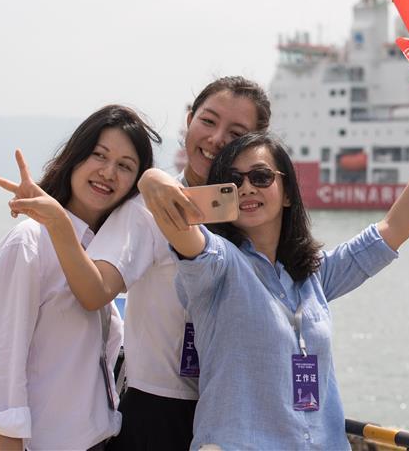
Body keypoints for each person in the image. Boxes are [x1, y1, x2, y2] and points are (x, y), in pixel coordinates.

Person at [141, 90, 409, 450]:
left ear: (288, 193)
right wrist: (152, 178)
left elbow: (393, 230)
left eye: (261, 177)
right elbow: (180, 230)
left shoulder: (313, 275)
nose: (247, 187)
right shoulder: (220, 265)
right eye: (234, 180)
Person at [33, 76, 271, 450]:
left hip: (235, 416)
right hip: (157, 411)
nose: (216, 138)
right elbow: (95, 290)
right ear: (189, 120)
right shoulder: (145, 211)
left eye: (236, 131)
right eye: (207, 121)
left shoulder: (257, 220)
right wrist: (61, 225)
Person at [0, 105, 161, 451]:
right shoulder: (29, 243)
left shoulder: (103, 256)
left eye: (125, 166)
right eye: (99, 155)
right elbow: (1, 373)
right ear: (75, 157)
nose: (108, 172)